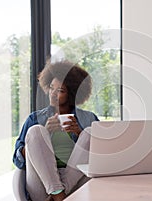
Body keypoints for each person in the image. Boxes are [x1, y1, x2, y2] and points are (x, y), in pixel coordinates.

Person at [13, 60, 99, 201]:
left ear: (71, 94)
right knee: (36, 131)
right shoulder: (34, 118)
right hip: (41, 182)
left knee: (89, 132)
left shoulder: (88, 118)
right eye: (51, 88)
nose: (52, 94)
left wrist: (79, 134)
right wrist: (43, 135)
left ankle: (58, 193)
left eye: (60, 91)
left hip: (75, 181)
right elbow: (18, 161)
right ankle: (58, 193)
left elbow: (102, 158)